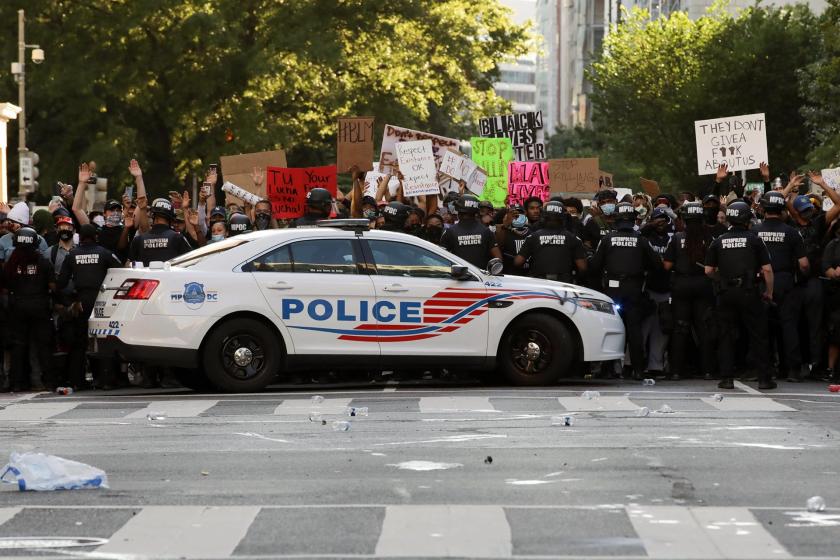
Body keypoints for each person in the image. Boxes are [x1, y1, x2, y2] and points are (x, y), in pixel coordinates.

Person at [705, 201, 775, 390]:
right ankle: (764, 379)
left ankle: (727, 378)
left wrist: (722, 279)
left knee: (726, 335)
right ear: (747, 220)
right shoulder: (754, 240)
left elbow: (709, 270)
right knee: (759, 335)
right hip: (749, 291)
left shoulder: (718, 241)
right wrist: (769, 292)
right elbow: (767, 270)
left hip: (726, 293)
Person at [590, 202, 662, 379]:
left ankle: (607, 370)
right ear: (633, 219)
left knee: (610, 328)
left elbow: (594, 266)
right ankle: (637, 370)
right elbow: (658, 266)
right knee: (634, 330)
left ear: (615, 219)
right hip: (634, 288)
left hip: (612, 290)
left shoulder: (607, 239)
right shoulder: (641, 240)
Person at [56, 224, 123, 389]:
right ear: (96, 236)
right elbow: (120, 270)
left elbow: (61, 283)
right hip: (101, 300)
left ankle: (77, 382)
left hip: (80, 302)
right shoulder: (104, 253)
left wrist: (67, 301)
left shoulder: (72, 255)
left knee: (79, 343)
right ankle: (106, 380)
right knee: (104, 339)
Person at [752, 191, 809, 382]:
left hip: (761, 281)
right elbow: (804, 264)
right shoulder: (792, 232)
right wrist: (802, 278)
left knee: (762, 328)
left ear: (763, 208)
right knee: (789, 325)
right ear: (782, 209)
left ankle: (765, 368)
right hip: (785, 281)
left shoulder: (755, 231)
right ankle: (792, 369)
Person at [664, 201, 716, 380]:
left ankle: (676, 371)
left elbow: (667, 265)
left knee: (680, 329)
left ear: (684, 219)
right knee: (704, 329)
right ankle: (708, 370)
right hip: (703, 285)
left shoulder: (677, 238)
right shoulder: (709, 238)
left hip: (681, 286)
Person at [3, 227, 55, 392]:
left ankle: (17, 383)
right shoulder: (43, 261)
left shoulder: (11, 263)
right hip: (40, 306)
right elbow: (53, 286)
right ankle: (48, 381)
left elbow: (5, 285)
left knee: (19, 346)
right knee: (44, 345)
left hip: (17, 307)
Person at [514, 201, 586, 283]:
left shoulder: (533, 237)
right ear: (563, 217)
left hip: (539, 284)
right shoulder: (573, 238)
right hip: (564, 284)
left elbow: (518, 262)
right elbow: (582, 267)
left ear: (543, 217)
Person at [639, 207, 674, 377]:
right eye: (657, 220)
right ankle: (634, 364)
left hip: (666, 288)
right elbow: (638, 235)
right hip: (647, 288)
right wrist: (649, 226)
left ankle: (656, 365)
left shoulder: (672, 238)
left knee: (662, 329)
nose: (661, 224)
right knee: (643, 328)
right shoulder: (645, 237)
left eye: (664, 220)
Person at [440, 194, 502, 269]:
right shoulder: (486, 231)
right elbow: (498, 259)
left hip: (458, 277)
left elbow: (440, 259)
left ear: (458, 212)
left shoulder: (450, 232)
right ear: (476, 213)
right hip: (482, 278)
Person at [128, 198, 192, 266]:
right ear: (171, 218)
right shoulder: (178, 238)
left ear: (153, 216)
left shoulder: (138, 240)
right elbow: (191, 261)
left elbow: (129, 265)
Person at [496, 204, 531, 274]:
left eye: (520, 213)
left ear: (525, 215)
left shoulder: (532, 232)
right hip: (510, 275)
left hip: (529, 274)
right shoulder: (503, 232)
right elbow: (498, 247)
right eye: (513, 214)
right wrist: (505, 226)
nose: (517, 216)